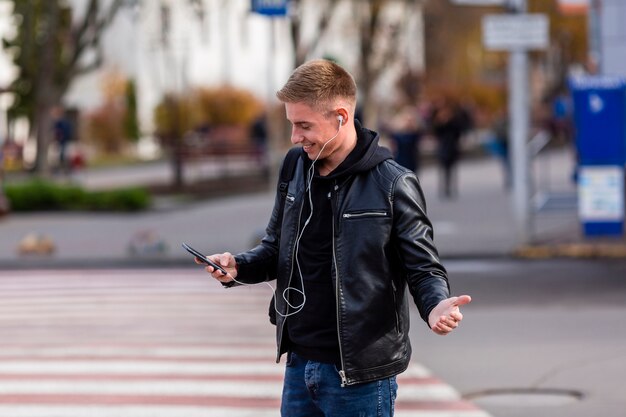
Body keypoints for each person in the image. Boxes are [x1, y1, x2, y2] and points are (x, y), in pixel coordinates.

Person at [196, 59, 471, 417]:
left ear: (340, 116)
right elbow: (277, 246)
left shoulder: (392, 183)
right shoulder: (295, 166)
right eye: (292, 125)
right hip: (299, 364)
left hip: (359, 375)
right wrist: (237, 267)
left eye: (304, 126)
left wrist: (435, 306)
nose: (296, 137)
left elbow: (423, 267)